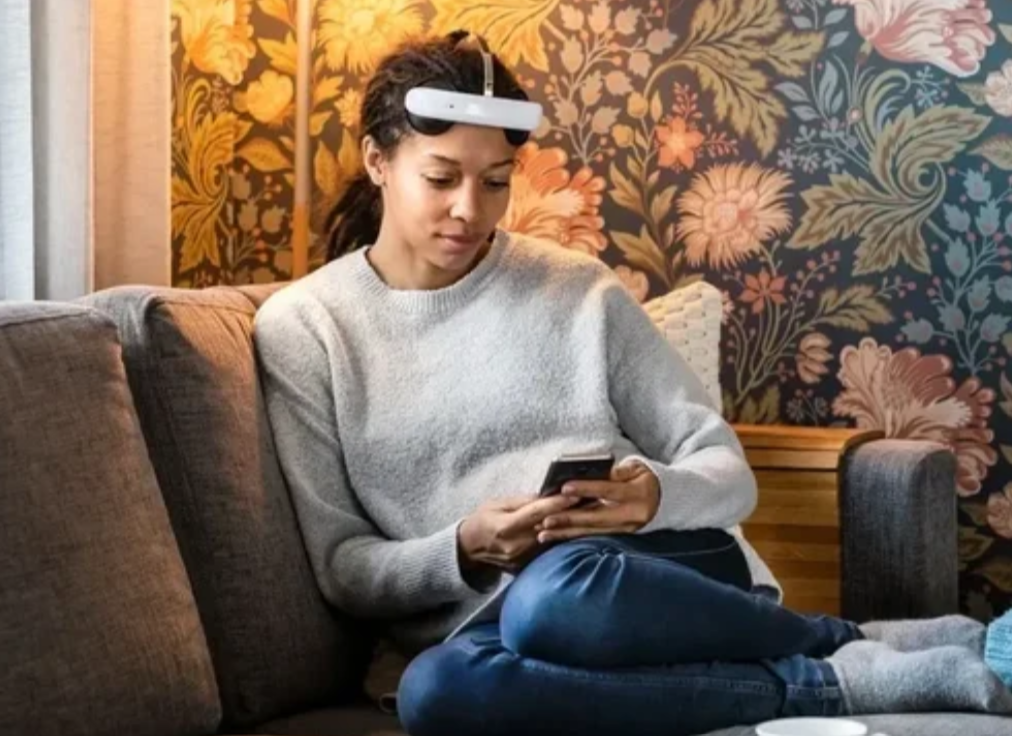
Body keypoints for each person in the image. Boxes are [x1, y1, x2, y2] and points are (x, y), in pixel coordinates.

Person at [253, 31, 1012, 736]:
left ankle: (833, 641)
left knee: (556, 596)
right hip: (483, 616)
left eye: (494, 182)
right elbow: (344, 566)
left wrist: (651, 496)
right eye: (441, 178)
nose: (469, 210)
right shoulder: (306, 329)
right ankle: (836, 665)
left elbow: (724, 471)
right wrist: (467, 545)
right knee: (435, 693)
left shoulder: (576, 289)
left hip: (650, 573)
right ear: (377, 161)